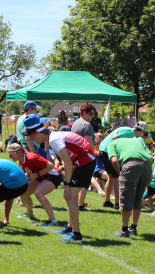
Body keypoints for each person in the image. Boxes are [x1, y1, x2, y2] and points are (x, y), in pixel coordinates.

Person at [24, 114, 96, 243]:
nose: (32, 139)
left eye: (31, 136)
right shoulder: (53, 136)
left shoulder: (53, 140)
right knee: (70, 197)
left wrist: (66, 184)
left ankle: (76, 235)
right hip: (82, 161)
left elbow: (67, 163)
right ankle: (70, 228)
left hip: (85, 162)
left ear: (37, 133)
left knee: (69, 197)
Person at [107, 125, 153, 237]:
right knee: (138, 196)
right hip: (147, 167)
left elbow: (114, 160)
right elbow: (151, 156)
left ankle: (124, 230)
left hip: (131, 165)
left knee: (126, 197)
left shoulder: (112, 143)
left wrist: (121, 172)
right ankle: (133, 228)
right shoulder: (137, 141)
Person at [7, 142, 61, 226]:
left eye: (11, 155)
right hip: (41, 176)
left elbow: (51, 166)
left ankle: (53, 221)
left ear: (18, 153)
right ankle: (30, 214)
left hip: (54, 175)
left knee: (39, 193)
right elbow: (30, 171)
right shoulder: (22, 160)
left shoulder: (31, 157)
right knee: (23, 193)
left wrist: (36, 175)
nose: (9, 157)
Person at [98, 125, 135, 208]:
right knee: (116, 177)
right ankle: (117, 203)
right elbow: (115, 138)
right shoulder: (130, 132)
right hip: (108, 151)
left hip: (102, 149)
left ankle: (107, 201)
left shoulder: (126, 129)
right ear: (141, 131)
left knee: (111, 177)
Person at [72, 103, 96, 209]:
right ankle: (80, 204)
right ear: (84, 112)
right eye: (91, 114)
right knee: (85, 182)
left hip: (75, 155)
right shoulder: (87, 125)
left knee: (76, 181)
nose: (92, 117)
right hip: (85, 157)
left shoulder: (75, 123)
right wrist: (93, 156)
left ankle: (74, 202)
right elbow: (88, 143)